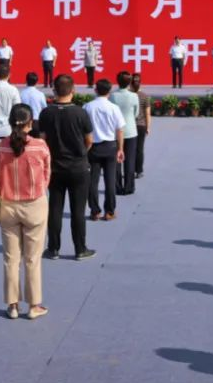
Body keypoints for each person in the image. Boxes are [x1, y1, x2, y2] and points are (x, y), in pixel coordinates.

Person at [0, 104, 51, 321]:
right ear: (30, 123)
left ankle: (13, 305)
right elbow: (46, 175)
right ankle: (34, 305)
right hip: (34, 204)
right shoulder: (40, 146)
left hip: (7, 205)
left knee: (11, 258)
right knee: (32, 258)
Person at [39, 74, 96, 261]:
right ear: (73, 90)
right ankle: (80, 249)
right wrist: (82, 152)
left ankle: (53, 248)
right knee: (78, 211)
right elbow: (89, 140)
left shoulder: (46, 113)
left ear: (54, 90)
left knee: (55, 209)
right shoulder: (80, 113)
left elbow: (42, 140)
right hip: (78, 167)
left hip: (55, 167)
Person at [83, 79, 124, 221]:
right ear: (109, 91)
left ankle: (95, 211)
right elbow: (120, 130)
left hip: (93, 147)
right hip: (110, 146)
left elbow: (83, 129)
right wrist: (120, 148)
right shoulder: (114, 108)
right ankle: (110, 211)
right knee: (110, 180)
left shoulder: (87, 107)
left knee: (92, 181)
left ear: (95, 90)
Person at [111, 71, 141, 196]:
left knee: (116, 160)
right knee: (130, 160)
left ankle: (117, 187)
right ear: (129, 82)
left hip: (116, 131)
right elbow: (136, 113)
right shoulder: (134, 96)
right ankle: (129, 187)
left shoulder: (113, 96)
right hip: (130, 130)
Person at [131, 73, 151, 179]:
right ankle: (139, 171)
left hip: (129, 126)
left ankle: (129, 170)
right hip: (141, 126)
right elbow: (147, 113)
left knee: (129, 149)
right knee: (139, 149)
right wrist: (148, 127)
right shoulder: (144, 96)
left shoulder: (129, 96)